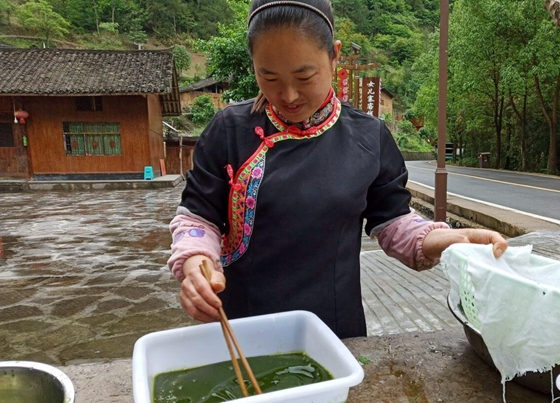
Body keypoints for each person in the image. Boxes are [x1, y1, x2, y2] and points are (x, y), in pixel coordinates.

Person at [167, 0, 508, 339]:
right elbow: (199, 217)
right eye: (267, 76)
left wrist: (448, 239)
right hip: (240, 326)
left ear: (334, 56)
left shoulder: (369, 136)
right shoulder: (229, 129)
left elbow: (393, 222)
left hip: (333, 330)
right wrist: (196, 262)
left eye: (305, 76)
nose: (288, 95)